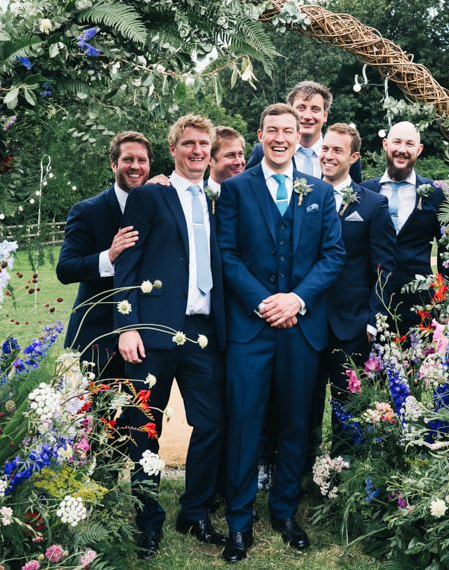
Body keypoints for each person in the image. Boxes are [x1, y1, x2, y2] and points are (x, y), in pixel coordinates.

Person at [217, 103, 345, 562]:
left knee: (295, 423)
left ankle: (285, 511)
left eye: (287, 131)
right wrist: (264, 302)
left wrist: (296, 299)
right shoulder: (234, 189)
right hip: (251, 331)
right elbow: (227, 255)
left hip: (301, 328)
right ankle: (238, 521)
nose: (279, 138)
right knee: (245, 423)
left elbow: (332, 255)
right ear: (260, 134)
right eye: (271, 130)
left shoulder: (319, 191)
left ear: (298, 136)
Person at [114, 114, 227, 559]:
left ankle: (194, 510)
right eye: (188, 144)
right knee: (144, 427)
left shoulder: (218, 199)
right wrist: (128, 324)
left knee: (213, 421)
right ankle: (147, 519)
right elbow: (127, 264)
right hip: (153, 333)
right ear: (174, 149)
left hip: (202, 331)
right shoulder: (149, 197)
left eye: (204, 144)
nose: (197, 151)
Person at [313, 123, 396, 454]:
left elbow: (384, 269)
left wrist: (373, 319)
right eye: (326, 149)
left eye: (337, 150)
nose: (329, 156)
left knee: (349, 405)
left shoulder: (373, 204)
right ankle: (305, 474)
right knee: (302, 403)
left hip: (352, 322)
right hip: (306, 319)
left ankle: (343, 474)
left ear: (354, 156)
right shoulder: (300, 194)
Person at [57, 131, 152, 379]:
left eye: (142, 160)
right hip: (98, 338)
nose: (135, 166)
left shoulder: (159, 207)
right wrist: (108, 256)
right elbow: (65, 269)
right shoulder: (87, 211)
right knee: (97, 416)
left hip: (147, 338)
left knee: (142, 416)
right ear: (113, 165)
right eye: (128, 160)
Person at [362, 121, 444, 331]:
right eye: (396, 142)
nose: (402, 150)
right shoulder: (364, 192)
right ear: (385, 144)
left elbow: (447, 254)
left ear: (419, 149)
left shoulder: (435, 193)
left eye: (409, 144)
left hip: (420, 304)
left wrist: (446, 300)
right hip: (370, 300)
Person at [246, 81, 362, 183]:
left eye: (315, 109)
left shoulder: (346, 155)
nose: (307, 116)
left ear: (325, 115)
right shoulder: (262, 152)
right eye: (301, 108)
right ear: (290, 112)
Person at [208, 126, 246, 192]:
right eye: (230, 155)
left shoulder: (255, 192)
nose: (238, 162)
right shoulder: (198, 196)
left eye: (240, 154)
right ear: (210, 160)